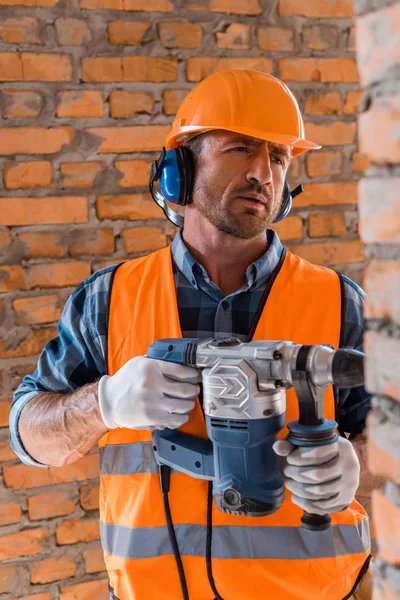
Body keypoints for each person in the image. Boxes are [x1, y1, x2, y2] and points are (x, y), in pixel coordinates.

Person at [11, 70, 373, 600]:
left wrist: (358, 468)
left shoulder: (338, 302)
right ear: (181, 169)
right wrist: (104, 404)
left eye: (278, 157)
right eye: (240, 148)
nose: (262, 174)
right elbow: (28, 437)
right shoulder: (110, 300)